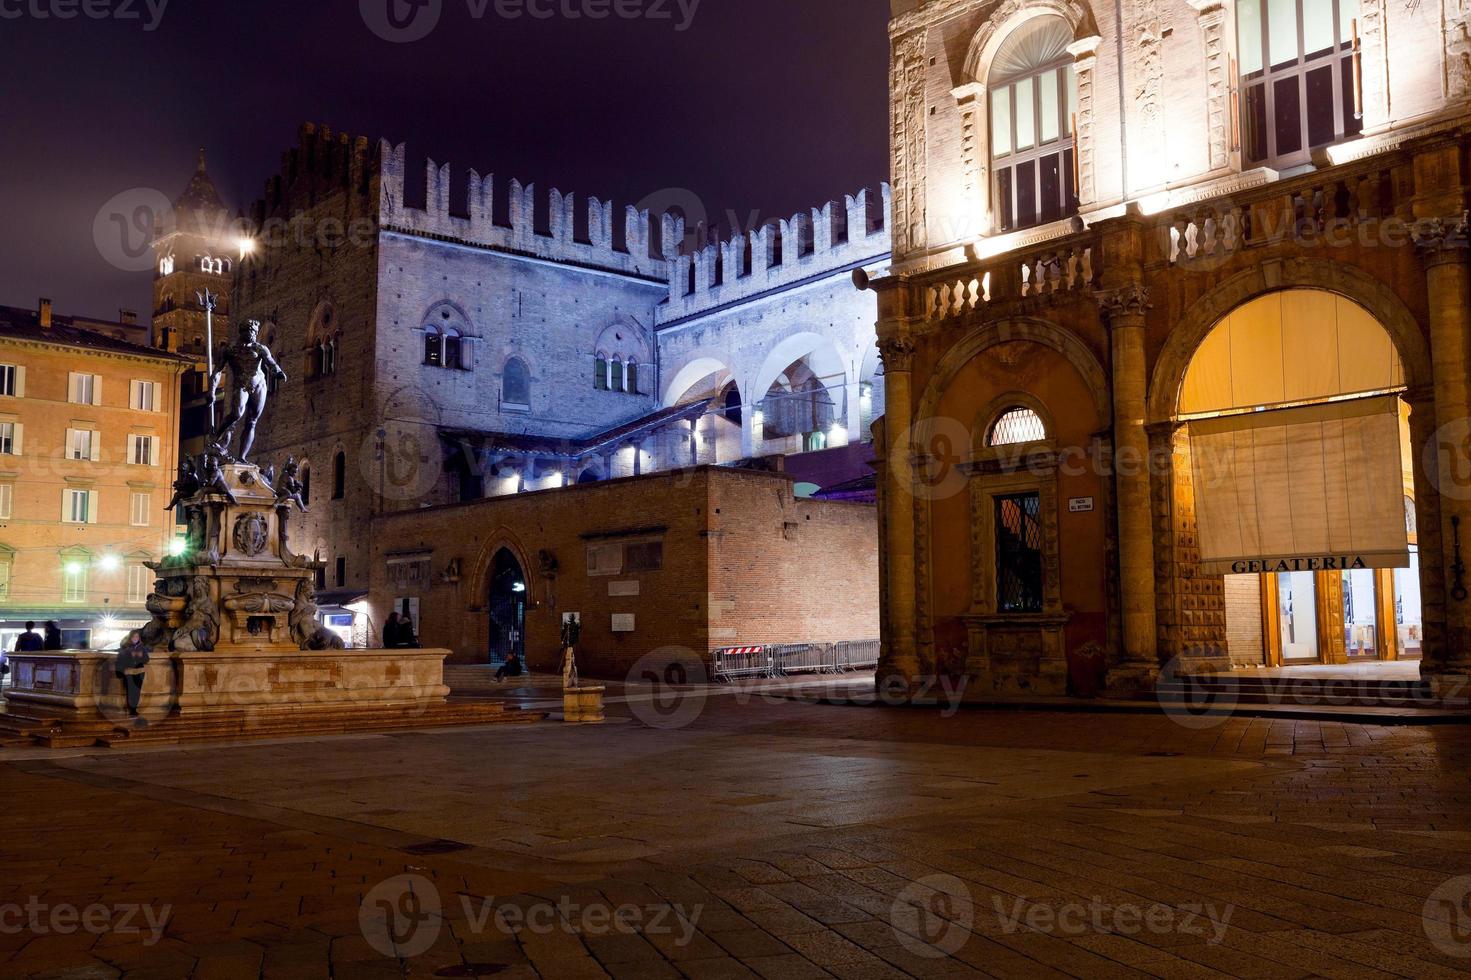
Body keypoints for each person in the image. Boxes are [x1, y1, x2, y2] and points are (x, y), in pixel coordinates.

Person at [115, 631, 151, 719]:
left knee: (137, 691)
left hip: (139, 672)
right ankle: (131, 709)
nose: (136, 638)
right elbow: (121, 659)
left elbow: (146, 659)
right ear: (130, 638)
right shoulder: (125, 647)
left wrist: (139, 656)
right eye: (134, 637)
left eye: (137, 637)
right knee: (130, 690)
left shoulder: (142, 648)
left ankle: (134, 708)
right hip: (129, 672)